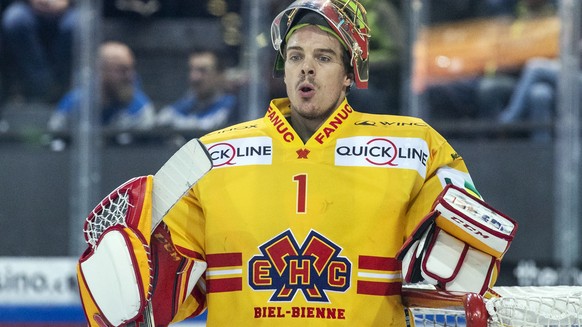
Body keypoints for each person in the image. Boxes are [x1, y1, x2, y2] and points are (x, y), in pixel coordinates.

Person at [76, 1, 516, 326]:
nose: (307, 69)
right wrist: (125, 278)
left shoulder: (416, 146)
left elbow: (460, 267)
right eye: (295, 57)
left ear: (349, 74)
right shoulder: (210, 156)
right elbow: (163, 289)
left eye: (324, 57)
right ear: (283, 69)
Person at [47, 41, 155, 133]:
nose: (130, 77)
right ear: (100, 71)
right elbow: (53, 140)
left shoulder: (140, 108)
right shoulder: (73, 104)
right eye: (121, 70)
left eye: (131, 69)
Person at [1, 0, 78, 103]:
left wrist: (67, 2)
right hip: (28, 7)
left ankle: (63, 87)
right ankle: (45, 87)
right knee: (15, 20)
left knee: (75, 26)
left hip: (71, 9)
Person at [156, 48, 238, 131]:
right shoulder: (185, 103)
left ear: (220, 74)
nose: (194, 77)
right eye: (191, 70)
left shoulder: (231, 107)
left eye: (203, 71)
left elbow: (209, 126)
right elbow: (159, 122)